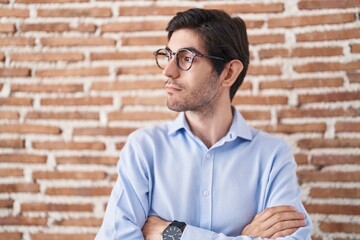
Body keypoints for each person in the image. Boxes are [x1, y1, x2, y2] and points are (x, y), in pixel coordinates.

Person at [96, 8, 312, 240]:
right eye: (168, 56)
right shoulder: (144, 148)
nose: (168, 72)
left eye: (186, 58)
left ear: (228, 73)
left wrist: (174, 233)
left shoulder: (273, 156)